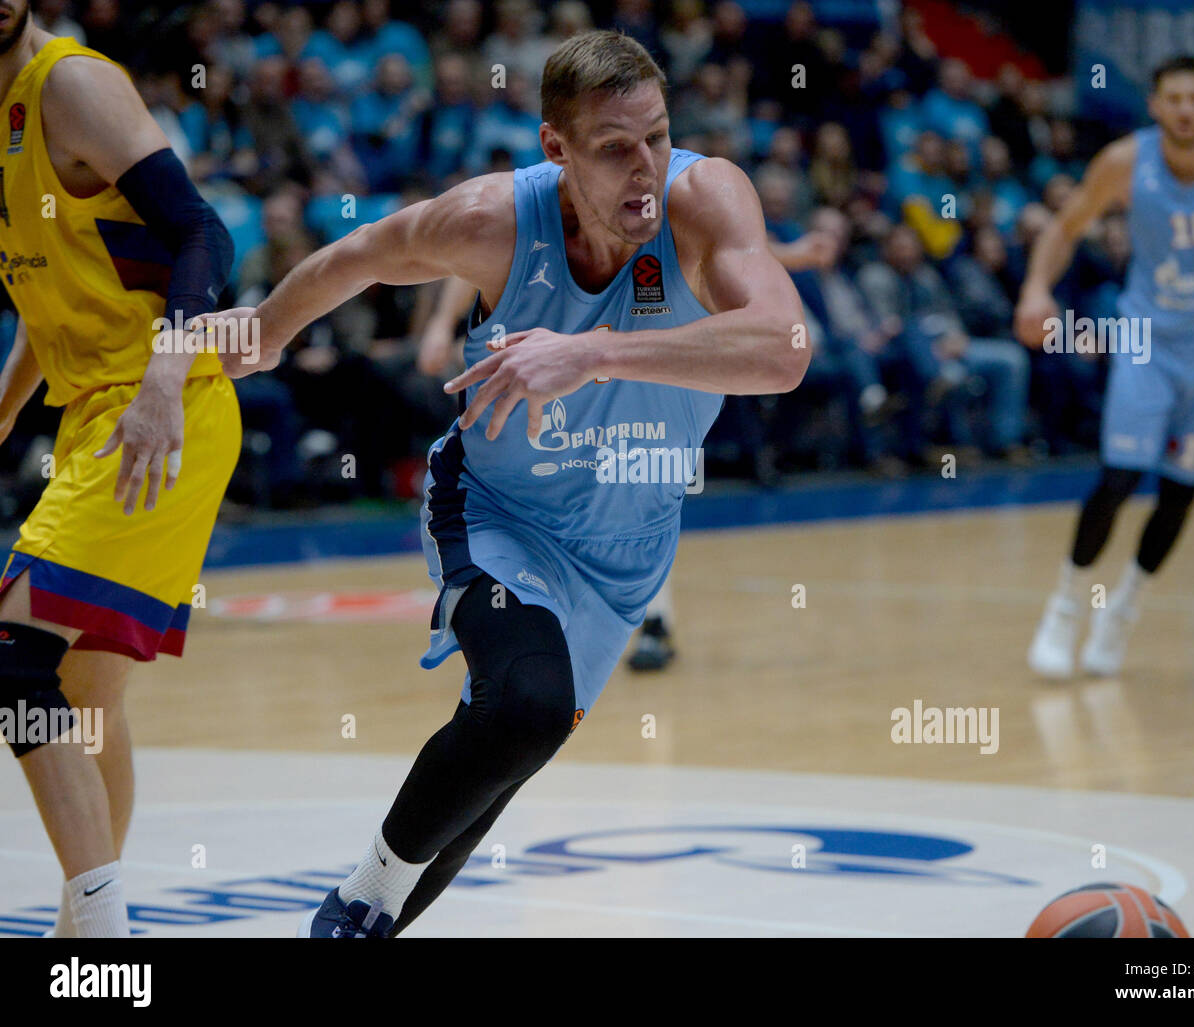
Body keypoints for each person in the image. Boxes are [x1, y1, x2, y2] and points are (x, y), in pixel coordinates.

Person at [203, 29, 806, 937]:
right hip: (497, 512)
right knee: (520, 713)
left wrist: (592, 353)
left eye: (657, 135)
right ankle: (351, 905)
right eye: (614, 147)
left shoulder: (703, 198)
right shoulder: (493, 221)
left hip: (625, 558)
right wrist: (267, 331)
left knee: (489, 780)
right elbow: (359, 253)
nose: (645, 166)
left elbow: (786, 349)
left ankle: (371, 914)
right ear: (555, 149)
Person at [0, 3, 237, 936]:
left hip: (157, 409)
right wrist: (11, 401)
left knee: (15, 661)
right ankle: (83, 927)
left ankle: (102, 934)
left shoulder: (70, 83)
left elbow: (203, 235)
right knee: (89, 698)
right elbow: (57, 287)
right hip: (99, 411)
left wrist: (165, 378)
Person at [1016, 55, 1194, 677]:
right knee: (1119, 476)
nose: (1186, 109)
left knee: (1180, 492)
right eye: (1174, 98)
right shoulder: (1124, 162)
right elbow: (1064, 229)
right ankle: (1065, 607)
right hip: (1146, 336)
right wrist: (1037, 289)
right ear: (1154, 106)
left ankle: (1124, 610)